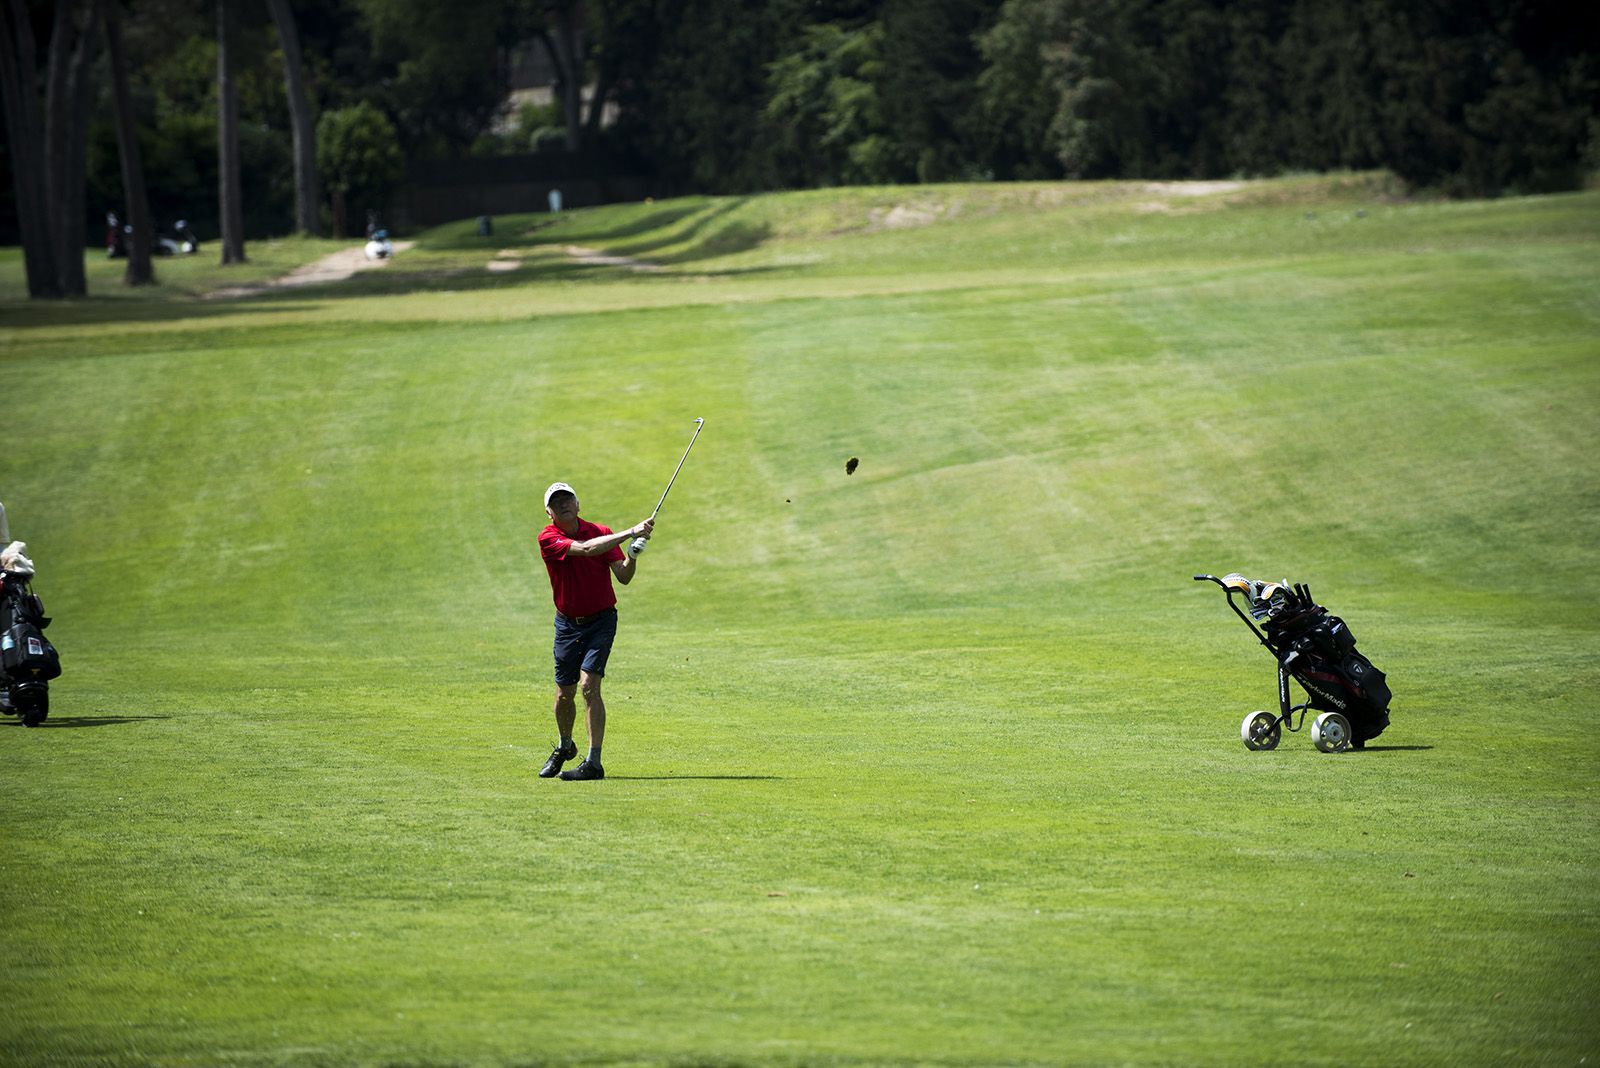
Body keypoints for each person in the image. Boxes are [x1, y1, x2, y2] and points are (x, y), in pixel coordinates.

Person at [536, 482, 654, 781]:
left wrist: (633, 554)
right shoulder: (548, 538)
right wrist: (631, 531)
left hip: (602, 620)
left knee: (590, 686)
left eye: (568, 499)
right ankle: (565, 746)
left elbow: (623, 577)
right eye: (556, 502)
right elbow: (587, 550)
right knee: (565, 692)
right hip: (567, 625)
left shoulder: (601, 531)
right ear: (549, 512)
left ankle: (594, 763)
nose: (563, 504)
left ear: (578, 504)